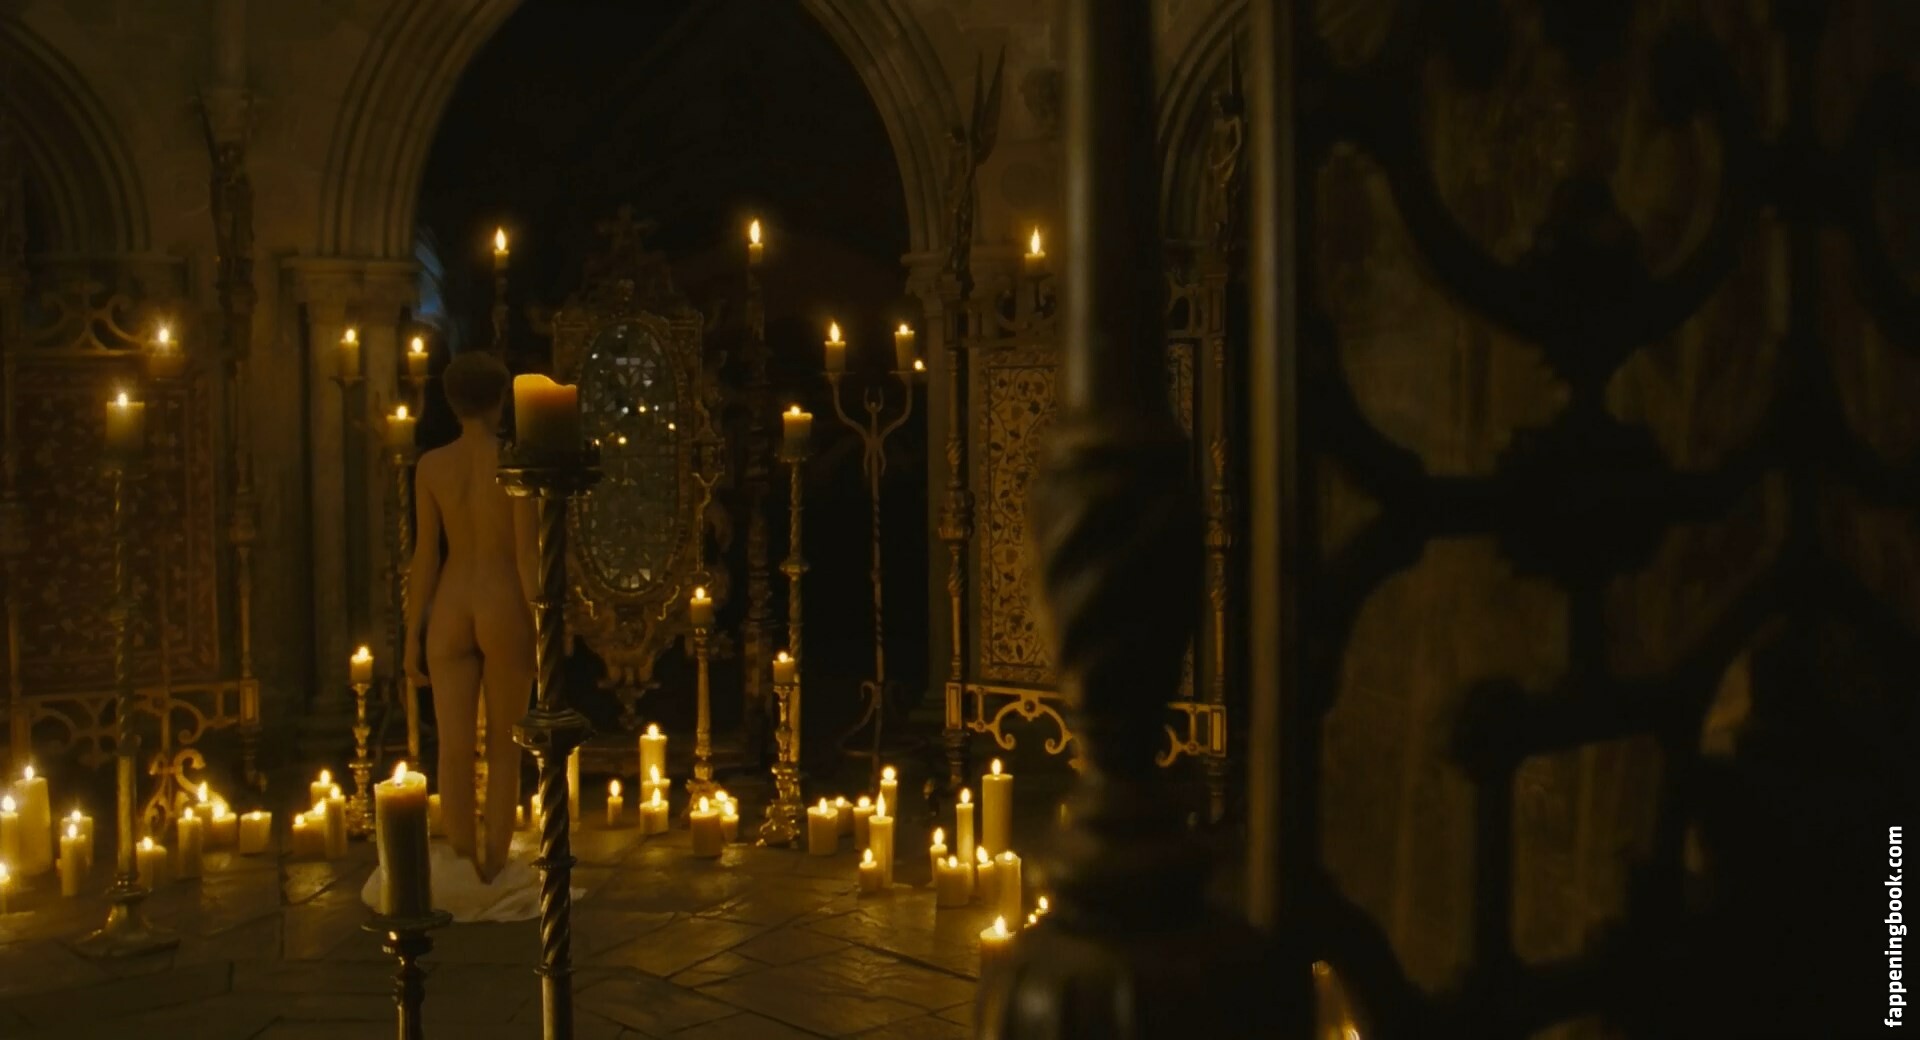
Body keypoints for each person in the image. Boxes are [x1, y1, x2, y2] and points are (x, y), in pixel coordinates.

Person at [403, 351, 536, 886]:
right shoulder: (516, 463)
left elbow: (424, 557)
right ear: (501, 400)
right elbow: (526, 557)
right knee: (505, 749)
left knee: (454, 751)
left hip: (451, 604)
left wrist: (412, 635)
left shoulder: (432, 466)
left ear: (452, 402)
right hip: (502, 601)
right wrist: (543, 625)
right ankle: (494, 871)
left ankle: (461, 869)